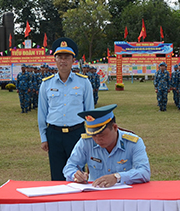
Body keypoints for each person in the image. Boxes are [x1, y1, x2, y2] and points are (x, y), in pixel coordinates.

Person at [38, 37, 94, 180]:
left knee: (78, 175)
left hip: (76, 133)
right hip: (54, 134)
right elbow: (42, 113)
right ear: (55, 60)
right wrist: (44, 137)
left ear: (73, 60)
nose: (63, 61)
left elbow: (90, 112)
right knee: (57, 176)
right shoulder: (46, 84)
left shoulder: (84, 82)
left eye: (67, 57)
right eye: (60, 57)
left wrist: (91, 136)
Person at [63, 104, 150, 186]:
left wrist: (117, 177)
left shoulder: (133, 143)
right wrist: (75, 175)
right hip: (95, 194)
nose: (97, 139)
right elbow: (70, 166)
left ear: (115, 128)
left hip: (124, 195)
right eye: (93, 135)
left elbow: (144, 172)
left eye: (101, 135)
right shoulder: (86, 141)